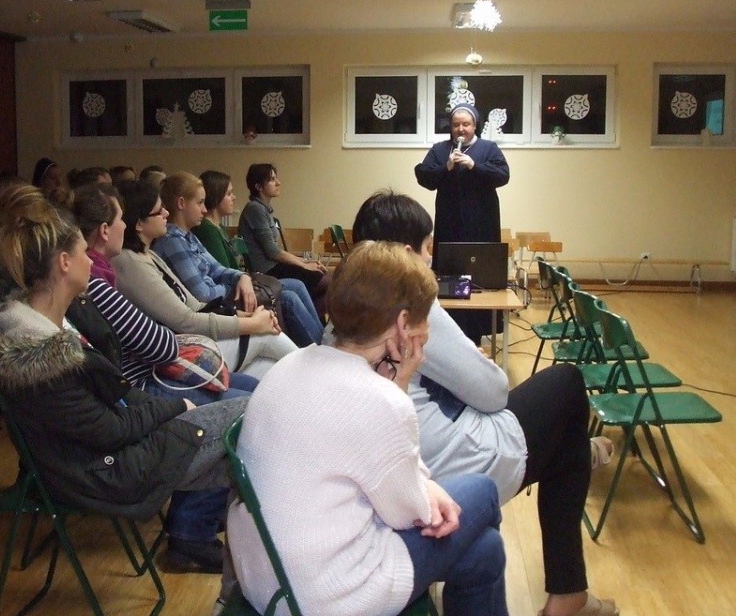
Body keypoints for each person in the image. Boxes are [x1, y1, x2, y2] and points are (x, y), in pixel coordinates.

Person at [350, 190, 618, 616]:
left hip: (396, 469)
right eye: (427, 249)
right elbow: (494, 392)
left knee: (562, 434)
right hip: (444, 469)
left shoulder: (344, 314)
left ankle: (577, 462)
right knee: (567, 385)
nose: (431, 259)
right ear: (406, 255)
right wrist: (478, 363)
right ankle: (569, 592)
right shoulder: (412, 305)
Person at [0, 184, 245, 573]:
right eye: (83, 253)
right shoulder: (39, 355)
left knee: (249, 437)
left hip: (114, 450)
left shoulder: (50, 322)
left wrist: (168, 407)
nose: (90, 262)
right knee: (252, 421)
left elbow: (118, 393)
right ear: (64, 263)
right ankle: (243, 552)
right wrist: (175, 407)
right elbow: (110, 429)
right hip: (107, 472)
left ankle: (237, 547)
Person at [228, 240, 507, 616]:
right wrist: (400, 391)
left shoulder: (290, 366)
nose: (428, 330)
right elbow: (409, 513)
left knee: (485, 551)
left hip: (267, 580)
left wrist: (422, 485)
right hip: (329, 596)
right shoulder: (380, 401)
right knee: (484, 492)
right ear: (403, 324)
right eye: (425, 318)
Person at [73, 182, 257, 403]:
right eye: (121, 219)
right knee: (253, 398)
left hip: (159, 364)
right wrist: (251, 323)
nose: (124, 225)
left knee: (254, 385)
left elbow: (191, 307)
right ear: (104, 230)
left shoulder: (123, 264)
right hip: (144, 382)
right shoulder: (97, 280)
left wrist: (240, 312)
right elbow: (164, 343)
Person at [112, 179, 297, 379]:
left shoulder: (149, 254)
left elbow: (196, 305)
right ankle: (316, 375)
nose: (166, 213)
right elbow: (187, 321)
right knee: (268, 336)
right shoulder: (131, 262)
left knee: (271, 367)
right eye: (159, 211)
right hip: (176, 357)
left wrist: (244, 315)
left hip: (190, 343)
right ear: (139, 223)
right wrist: (253, 324)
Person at [158, 171, 322, 347]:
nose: (204, 209)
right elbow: (204, 294)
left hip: (226, 294)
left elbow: (217, 268)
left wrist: (241, 277)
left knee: (297, 286)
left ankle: (321, 343)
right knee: (289, 298)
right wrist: (236, 285)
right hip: (216, 307)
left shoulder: (188, 236)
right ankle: (320, 348)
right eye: (199, 203)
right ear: (181, 203)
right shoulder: (173, 241)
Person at [414, 103, 510, 344]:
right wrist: (446, 168)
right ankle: (450, 332)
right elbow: (424, 176)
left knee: (481, 276)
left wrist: (474, 166)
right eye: (456, 124)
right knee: (451, 275)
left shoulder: (488, 148)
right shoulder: (440, 149)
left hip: (482, 225)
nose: (460, 129)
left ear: (475, 126)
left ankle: (477, 333)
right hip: (450, 224)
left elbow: (503, 176)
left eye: (466, 124)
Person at [237, 163, 330, 321]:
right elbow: (272, 252)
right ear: (258, 186)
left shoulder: (263, 209)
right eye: (272, 180)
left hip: (275, 266)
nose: (278, 183)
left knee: (325, 280)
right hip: (267, 271)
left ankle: (311, 321)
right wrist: (304, 265)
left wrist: (306, 262)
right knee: (330, 284)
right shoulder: (255, 209)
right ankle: (314, 324)